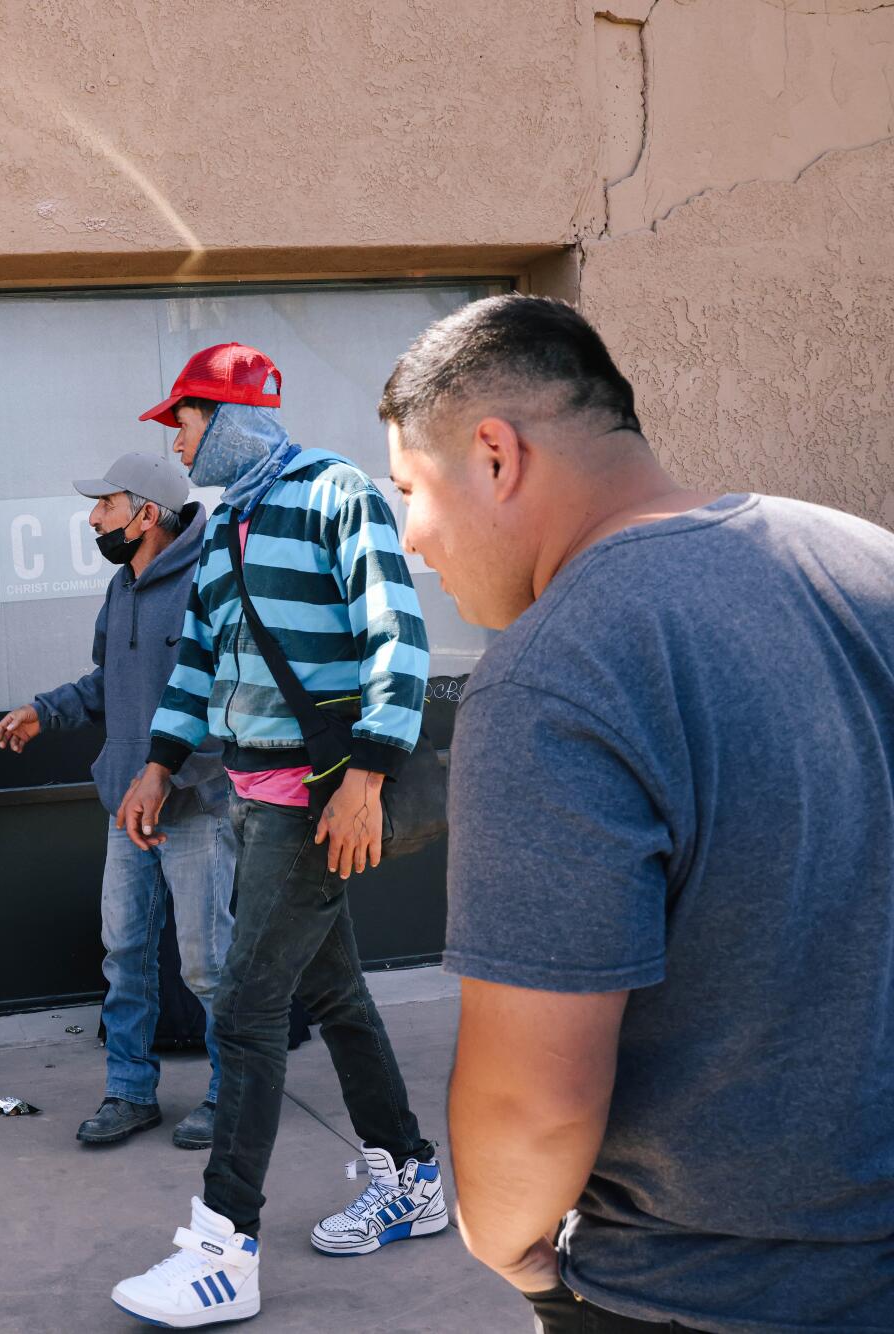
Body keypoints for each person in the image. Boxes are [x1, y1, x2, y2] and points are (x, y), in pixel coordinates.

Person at [383, 293, 894, 1331]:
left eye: (405, 489)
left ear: (492, 454)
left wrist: (508, 1248)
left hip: (702, 1289)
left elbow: (531, 1106)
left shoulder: (552, 670)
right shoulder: (865, 560)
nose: (407, 537)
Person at [109, 344, 442, 1326]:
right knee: (331, 990)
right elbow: (196, 662)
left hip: (318, 796)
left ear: (231, 414)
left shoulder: (333, 491)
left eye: (182, 418)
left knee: (247, 1008)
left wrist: (367, 778)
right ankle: (408, 1174)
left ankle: (221, 1245)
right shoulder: (221, 528)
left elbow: (397, 633)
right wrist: (159, 762)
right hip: (256, 802)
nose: (173, 437)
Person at [0, 450, 235, 1151]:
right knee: (124, 953)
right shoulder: (122, 589)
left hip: (195, 805)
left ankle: (234, 1093)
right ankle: (131, 1092)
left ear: (147, 515)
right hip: (125, 809)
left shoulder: (207, 581)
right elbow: (110, 682)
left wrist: (175, 775)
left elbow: (231, 698)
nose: (93, 517)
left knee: (208, 963)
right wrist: (47, 710)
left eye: (106, 505)